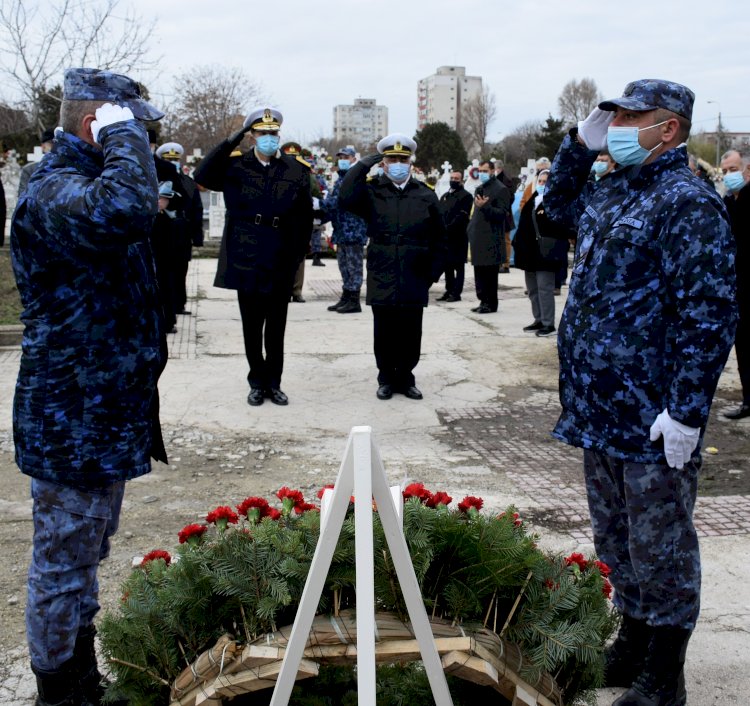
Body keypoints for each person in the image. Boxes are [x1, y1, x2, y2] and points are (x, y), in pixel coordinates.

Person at [544, 79, 737, 706]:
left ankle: (664, 673)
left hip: (654, 415)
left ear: (669, 128)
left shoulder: (687, 202)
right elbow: (551, 210)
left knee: (663, 545)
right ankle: (630, 640)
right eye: (615, 117)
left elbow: (709, 315)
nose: (621, 126)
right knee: (617, 538)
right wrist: (578, 144)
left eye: (634, 117)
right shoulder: (610, 192)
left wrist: (686, 413)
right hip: (600, 409)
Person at [10, 67, 167, 706]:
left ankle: (79, 672)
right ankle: (59, 690)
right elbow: (125, 209)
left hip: (104, 410)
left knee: (86, 554)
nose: (147, 141)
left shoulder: (85, 183)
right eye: (135, 127)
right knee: (62, 562)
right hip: (70, 415)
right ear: (93, 124)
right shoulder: (52, 189)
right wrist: (122, 137)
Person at [193, 107, 312, 407]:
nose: (268, 139)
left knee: (276, 327)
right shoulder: (235, 167)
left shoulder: (295, 169)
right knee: (251, 325)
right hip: (246, 254)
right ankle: (256, 381)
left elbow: (304, 217)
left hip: (280, 255)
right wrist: (231, 141)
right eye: (262, 134)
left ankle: (274, 383)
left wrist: (297, 255)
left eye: (273, 134)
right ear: (252, 136)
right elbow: (202, 174)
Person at [339, 133, 446, 400]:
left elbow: (440, 238)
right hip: (383, 266)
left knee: (411, 329)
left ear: (410, 162)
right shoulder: (373, 190)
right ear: (383, 163)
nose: (397, 163)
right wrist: (363, 165)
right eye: (391, 159)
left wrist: (432, 274)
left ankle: (406, 378)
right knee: (384, 328)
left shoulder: (425, 194)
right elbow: (346, 197)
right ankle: (386, 377)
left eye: (402, 159)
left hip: (415, 269)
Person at [512, 169, 573, 337]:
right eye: (540, 181)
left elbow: (561, 228)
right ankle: (538, 318)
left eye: (546, 181)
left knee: (544, 289)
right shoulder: (532, 200)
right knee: (533, 289)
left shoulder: (556, 203)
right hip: (529, 253)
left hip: (546, 253)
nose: (542, 184)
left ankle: (548, 323)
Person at [154, 142, 204, 316]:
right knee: (165, 270)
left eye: (176, 159)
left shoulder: (188, 182)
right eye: (169, 160)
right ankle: (168, 306)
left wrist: (197, 235)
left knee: (181, 269)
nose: (173, 162)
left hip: (183, 231)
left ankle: (179, 303)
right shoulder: (158, 178)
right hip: (165, 231)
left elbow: (197, 209)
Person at [719, 149, 750, 420]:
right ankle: (748, 400)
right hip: (736, 286)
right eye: (725, 171)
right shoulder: (727, 202)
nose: (729, 175)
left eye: (733, 169)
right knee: (743, 346)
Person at [321, 146, 368, 313]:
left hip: (353, 229)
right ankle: (346, 295)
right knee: (343, 265)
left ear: (354, 159)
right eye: (340, 157)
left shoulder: (356, 178)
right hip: (341, 229)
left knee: (354, 266)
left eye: (346, 157)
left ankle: (354, 300)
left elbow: (338, 201)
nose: (342, 160)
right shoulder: (341, 178)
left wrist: (318, 204)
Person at [467, 160, 511, 313]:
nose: (482, 174)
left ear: (493, 171)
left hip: (491, 238)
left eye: (485, 171)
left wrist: (485, 207)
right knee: (479, 273)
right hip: (478, 237)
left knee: (489, 274)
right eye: (480, 170)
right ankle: (482, 301)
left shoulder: (501, 189)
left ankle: (490, 303)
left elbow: (502, 214)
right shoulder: (480, 188)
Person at [437, 170, 472, 302]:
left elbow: (462, 216)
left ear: (461, 180)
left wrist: (449, 227)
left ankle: (456, 293)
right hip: (446, 237)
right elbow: (440, 213)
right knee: (448, 266)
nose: (454, 180)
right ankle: (449, 290)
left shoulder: (466, 196)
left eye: (456, 178)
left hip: (459, 236)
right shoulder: (445, 196)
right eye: (452, 178)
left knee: (458, 266)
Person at [18, 129, 55, 197]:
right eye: (51, 144)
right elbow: (23, 196)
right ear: (43, 147)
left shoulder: (67, 167)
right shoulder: (29, 170)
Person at [494, 159, 515, 271]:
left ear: (499, 169)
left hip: (505, 213)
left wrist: (503, 207)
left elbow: (511, 197)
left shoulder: (506, 181)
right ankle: (498, 262)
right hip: (497, 213)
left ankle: (506, 264)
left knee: (506, 239)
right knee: (497, 238)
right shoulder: (495, 180)